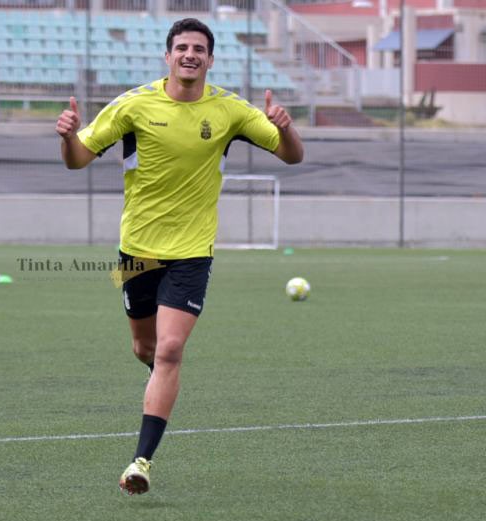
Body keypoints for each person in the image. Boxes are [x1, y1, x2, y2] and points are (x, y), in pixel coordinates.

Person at [55, 17, 303, 495]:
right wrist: (67, 136)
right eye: (182, 47)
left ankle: (140, 462)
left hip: (192, 253)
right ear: (167, 56)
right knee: (145, 350)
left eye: (199, 49)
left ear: (211, 59)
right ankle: (161, 383)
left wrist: (285, 130)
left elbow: (292, 157)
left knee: (170, 350)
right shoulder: (133, 104)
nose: (191, 54)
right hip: (136, 252)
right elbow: (78, 160)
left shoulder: (230, 110)